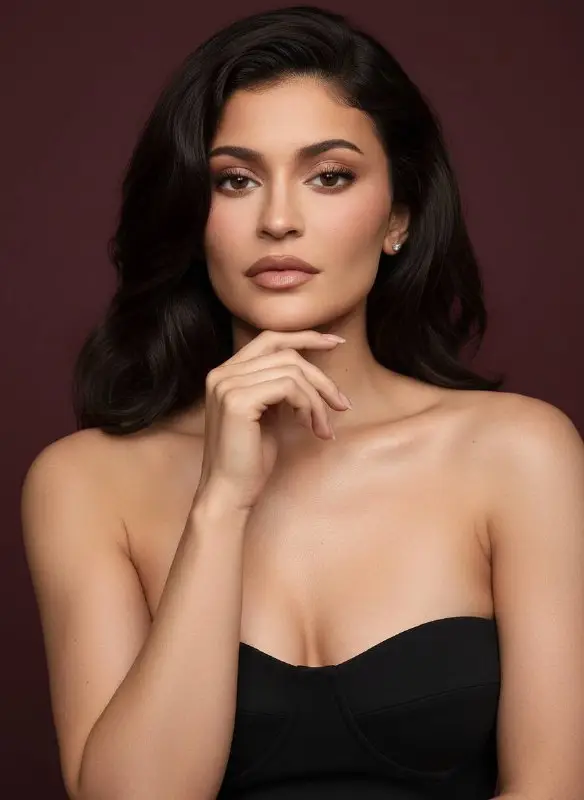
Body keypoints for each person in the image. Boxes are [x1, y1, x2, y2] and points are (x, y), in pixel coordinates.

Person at [20, 4, 584, 799]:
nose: (278, 221)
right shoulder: (84, 482)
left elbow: (553, 786)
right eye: (236, 180)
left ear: (398, 216)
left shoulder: (520, 452)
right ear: (192, 216)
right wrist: (220, 502)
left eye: (330, 176)